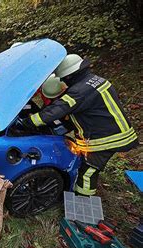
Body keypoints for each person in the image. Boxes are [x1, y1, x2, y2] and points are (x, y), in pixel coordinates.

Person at [22, 54, 138, 196]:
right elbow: (85, 111)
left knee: (89, 171)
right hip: (114, 129)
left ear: (70, 76)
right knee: (86, 164)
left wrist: (29, 122)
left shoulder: (79, 91)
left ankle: (81, 199)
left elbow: (57, 109)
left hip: (106, 138)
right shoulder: (96, 80)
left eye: (64, 78)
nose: (64, 81)